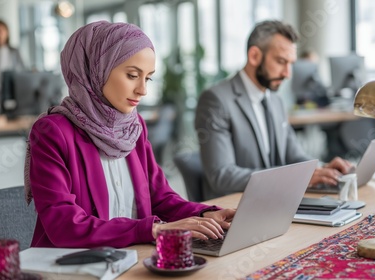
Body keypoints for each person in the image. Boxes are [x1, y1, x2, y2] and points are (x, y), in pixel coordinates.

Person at [24, 20, 235, 249]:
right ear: (97, 69)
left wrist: (205, 214)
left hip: (132, 260)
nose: (142, 90)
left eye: (148, 78)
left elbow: (160, 197)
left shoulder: (134, 126)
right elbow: (65, 226)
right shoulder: (52, 132)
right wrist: (153, 230)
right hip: (72, 266)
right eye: (133, 75)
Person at [195, 20, 352, 200]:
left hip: (275, 200)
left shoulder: (275, 100)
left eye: (290, 63)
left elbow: (294, 155)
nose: (287, 73)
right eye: (280, 61)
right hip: (237, 207)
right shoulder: (216, 100)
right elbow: (222, 176)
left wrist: (322, 169)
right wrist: (294, 178)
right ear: (254, 56)